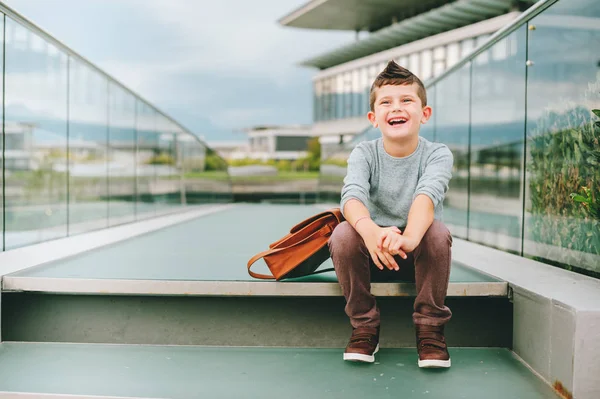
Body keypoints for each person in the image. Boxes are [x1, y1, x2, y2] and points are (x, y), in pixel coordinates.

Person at [328, 60, 454, 368]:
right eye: (386, 102)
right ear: (374, 118)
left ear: (425, 114)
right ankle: (364, 326)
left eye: (406, 100)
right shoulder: (364, 153)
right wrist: (373, 234)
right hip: (370, 254)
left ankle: (430, 329)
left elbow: (427, 197)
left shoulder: (437, 154)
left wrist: (408, 239)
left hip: (413, 257)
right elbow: (352, 196)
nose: (396, 108)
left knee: (437, 232)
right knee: (343, 234)